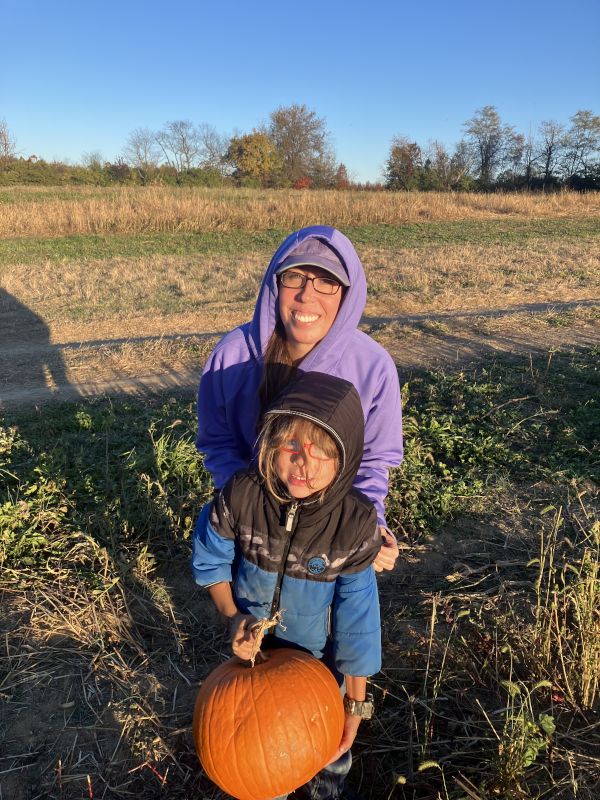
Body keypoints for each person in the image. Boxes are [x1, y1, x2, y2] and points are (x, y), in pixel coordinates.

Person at [192, 371, 381, 800]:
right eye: (291, 445)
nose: (304, 464)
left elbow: (358, 619)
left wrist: (355, 703)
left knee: (330, 752)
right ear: (269, 442)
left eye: (323, 453)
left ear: (346, 458)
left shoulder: (352, 525)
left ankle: (327, 790)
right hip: (250, 666)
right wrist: (232, 616)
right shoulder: (241, 496)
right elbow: (211, 560)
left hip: (316, 667)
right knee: (261, 765)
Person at [196, 225, 403, 570]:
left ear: (347, 294)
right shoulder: (231, 357)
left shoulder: (373, 367)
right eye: (295, 277)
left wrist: (369, 523)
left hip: (330, 529)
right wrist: (246, 510)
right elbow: (218, 444)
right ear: (275, 284)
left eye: (326, 281)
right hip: (251, 529)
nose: (307, 294)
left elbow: (375, 459)